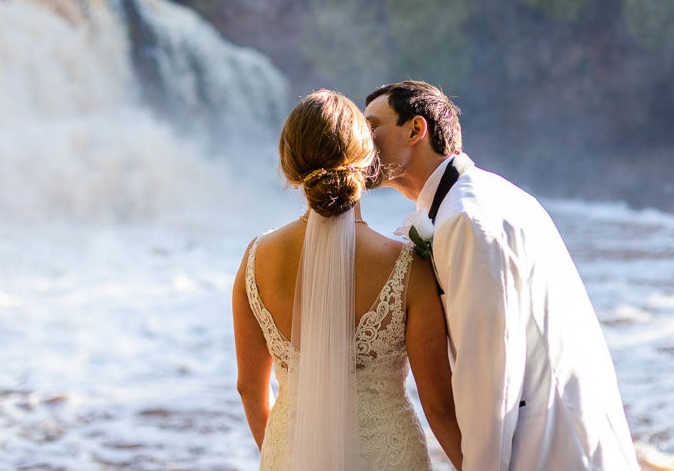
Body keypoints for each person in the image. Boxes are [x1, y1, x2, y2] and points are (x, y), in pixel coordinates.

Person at [365, 80, 639, 471]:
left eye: (373, 125)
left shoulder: (465, 220)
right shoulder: (490, 196)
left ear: (415, 130)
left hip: (548, 450)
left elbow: (489, 373)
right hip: (571, 435)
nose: (363, 138)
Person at [232, 89, 463, 470]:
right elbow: (437, 403)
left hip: (289, 455)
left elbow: (248, 388)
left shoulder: (256, 259)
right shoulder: (406, 265)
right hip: (387, 456)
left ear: (290, 166)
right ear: (367, 160)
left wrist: (280, 454)